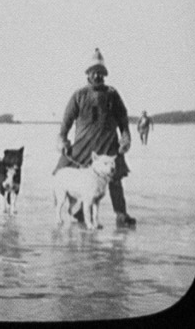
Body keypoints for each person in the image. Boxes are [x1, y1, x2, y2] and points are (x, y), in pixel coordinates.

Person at [52, 48, 136, 228]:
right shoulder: (79, 95)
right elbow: (66, 123)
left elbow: (123, 119)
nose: (97, 76)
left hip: (108, 145)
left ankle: (121, 214)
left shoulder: (112, 94)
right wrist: (62, 140)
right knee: (66, 174)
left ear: (104, 75)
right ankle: (75, 211)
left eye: (100, 73)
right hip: (83, 146)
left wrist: (125, 137)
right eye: (93, 73)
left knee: (115, 180)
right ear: (88, 75)